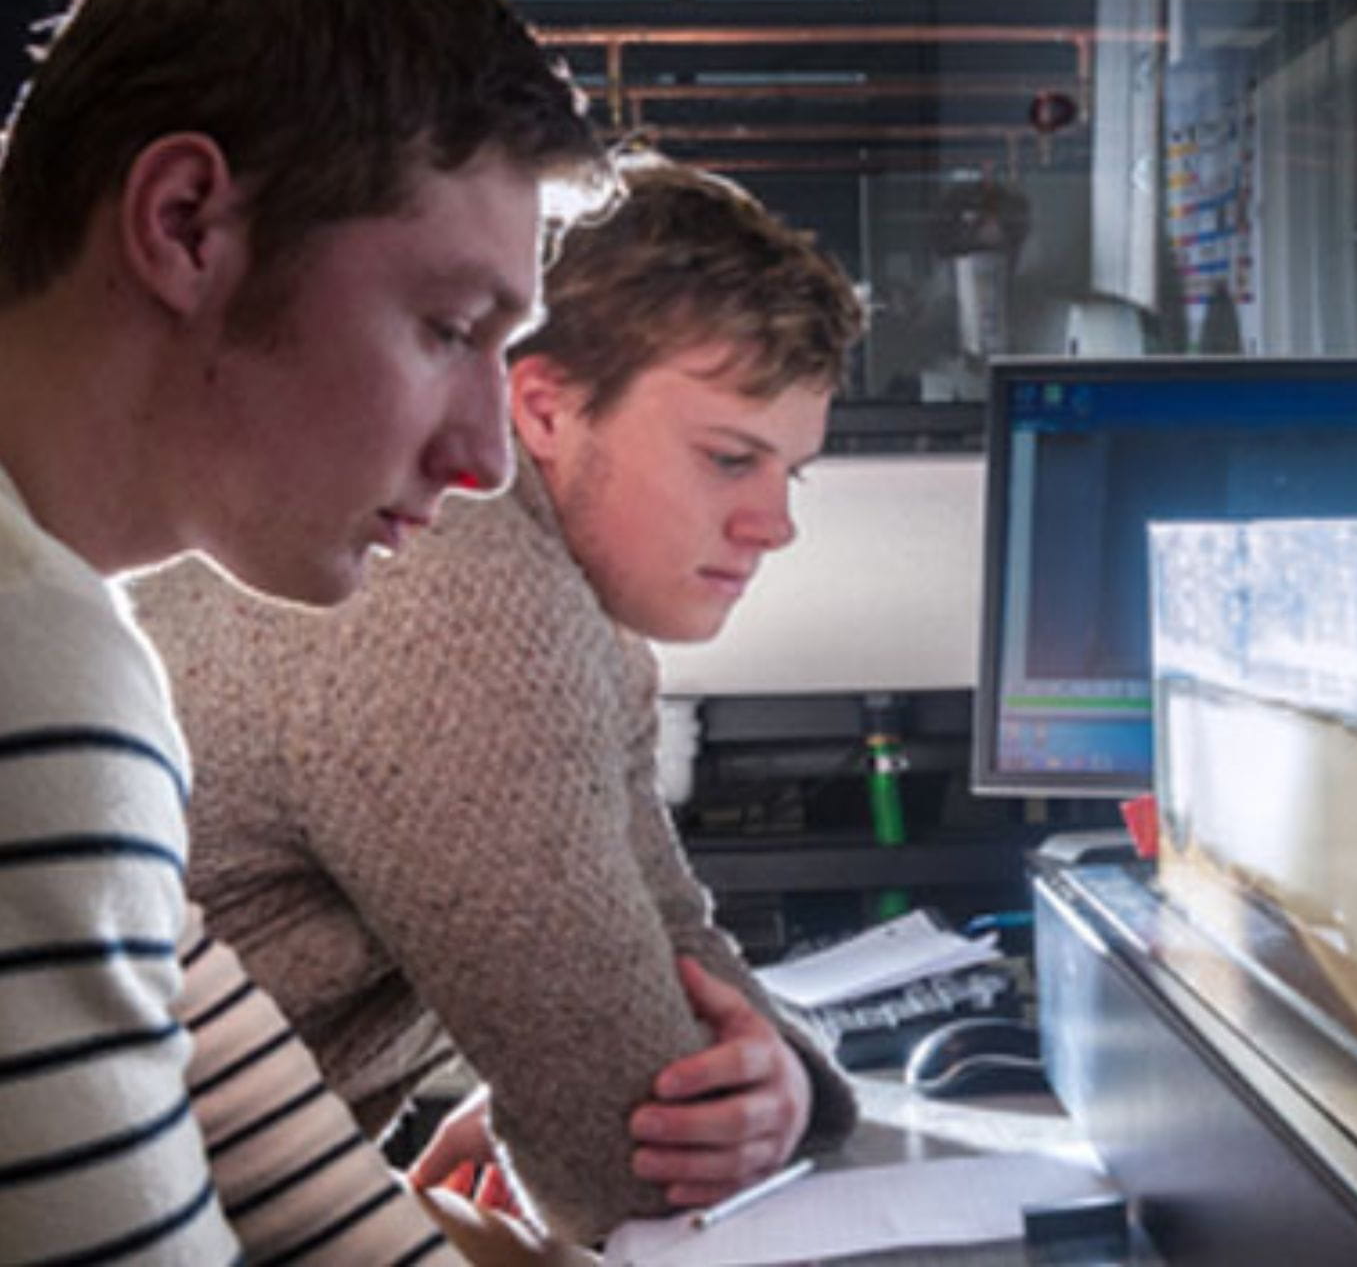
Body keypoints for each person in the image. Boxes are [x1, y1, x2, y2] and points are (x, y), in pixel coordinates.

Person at [133, 161, 869, 1243]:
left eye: (788, 474)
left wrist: (789, 1078)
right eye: (728, 459)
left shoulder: (570, 600)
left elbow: (673, 934)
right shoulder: (460, 589)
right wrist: (741, 1089)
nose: (774, 523)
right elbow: (627, 1162)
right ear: (546, 408)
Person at [0, 0, 605, 1261]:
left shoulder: (65, 623)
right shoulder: (31, 661)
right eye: (449, 328)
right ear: (186, 224)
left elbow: (317, 1210)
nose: (490, 455)